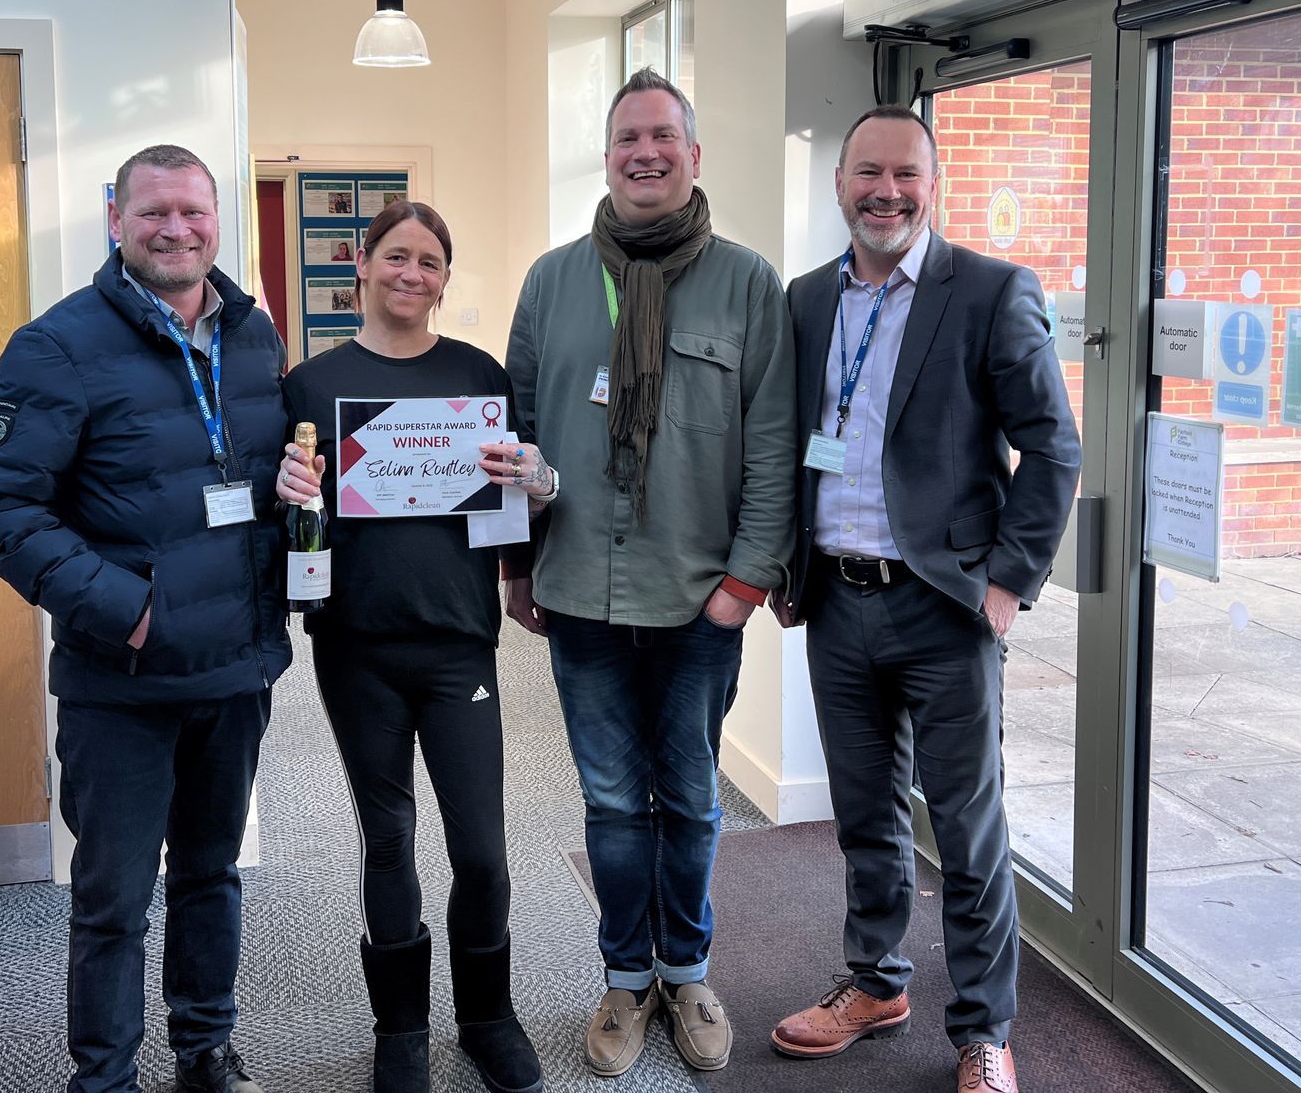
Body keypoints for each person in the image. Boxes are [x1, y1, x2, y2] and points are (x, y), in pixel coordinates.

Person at [0, 144, 288, 1093]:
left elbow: (248, 480)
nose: (175, 229)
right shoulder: (56, 346)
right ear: (116, 220)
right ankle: (103, 1076)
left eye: (193, 211)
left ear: (216, 220)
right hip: (124, 681)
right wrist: (129, 613)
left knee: (211, 874)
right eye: (153, 212)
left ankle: (205, 1052)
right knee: (112, 899)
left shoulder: (254, 336)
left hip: (235, 666)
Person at [768, 106, 1080, 1093]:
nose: (886, 190)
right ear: (839, 182)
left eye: (906, 173)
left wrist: (1004, 588)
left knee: (967, 829)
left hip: (946, 611)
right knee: (866, 816)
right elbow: (792, 442)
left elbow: (1055, 448)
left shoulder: (988, 292)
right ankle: (875, 982)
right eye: (868, 171)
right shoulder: (807, 298)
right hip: (839, 607)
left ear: (932, 185)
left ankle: (984, 1031)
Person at [505, 67, 795, 1078]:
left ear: (693, 154)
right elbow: (515, 439)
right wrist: (515, 570)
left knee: (691, 797)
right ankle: (627, 981)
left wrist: (745, 583)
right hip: (580, 592)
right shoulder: (550, 282)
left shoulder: (749, 282)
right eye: (628, 136)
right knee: (614, 805)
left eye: (663, 136)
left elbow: (772, 445)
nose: (645, 153)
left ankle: (690, 970)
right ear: (610, 153)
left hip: (698, 603)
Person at [277, 201, 545, 1093]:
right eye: (397, 256)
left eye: (430, 262)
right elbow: (292, 521)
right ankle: (401, 1029)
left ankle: (486, 1017)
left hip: (457, 645)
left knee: (481, 848)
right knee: (387, 839)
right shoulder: (312, 385)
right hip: (355, 648)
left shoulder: (479, 376)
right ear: (362, 264)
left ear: (444, 279)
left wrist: (533, 491)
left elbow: (514, 501)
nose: (412, 274)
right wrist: (288, 491)